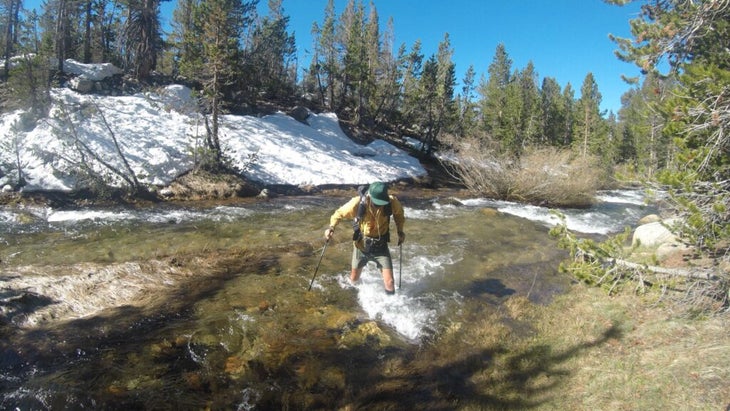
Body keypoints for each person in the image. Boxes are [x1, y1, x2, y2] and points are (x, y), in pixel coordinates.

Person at [324, 182, 405, 294]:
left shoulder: (391, 202)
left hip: (381, 246)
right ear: (369, 196)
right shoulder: (357, 203)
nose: (379, 206)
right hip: (361, 245)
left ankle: (391, 305)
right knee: (354, 279)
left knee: (390, 282)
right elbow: (338, 214)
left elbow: (399, 215)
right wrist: (331, 228)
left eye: (381, 203)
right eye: (377, 203)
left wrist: (400, 231)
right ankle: (352, 300)